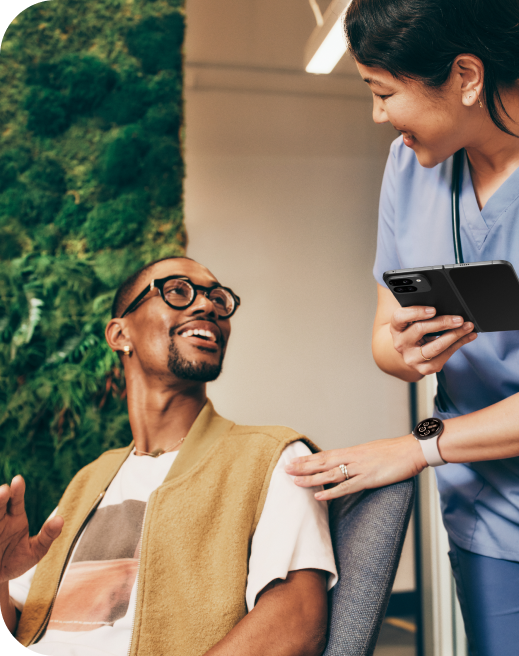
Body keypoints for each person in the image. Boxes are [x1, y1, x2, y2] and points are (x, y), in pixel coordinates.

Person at [286, 1, 519, 654]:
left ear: (465, 75)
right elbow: (384, 340)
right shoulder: (409, 166)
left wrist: (417, 445)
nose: (379, 116)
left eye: (383, 92)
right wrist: (405, 350)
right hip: (491, 504)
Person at [1, 256, 337, 656]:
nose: (208, 306)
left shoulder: (273, 458)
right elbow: (19, 622)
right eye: (178, 291)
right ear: (119, 334)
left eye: (219, 299)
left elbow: (294, 623)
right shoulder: (89, 480)